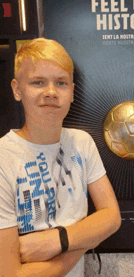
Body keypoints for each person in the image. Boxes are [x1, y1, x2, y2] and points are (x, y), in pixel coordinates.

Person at [0, 38, 121, 277]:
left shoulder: (82, 142)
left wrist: (56, 241)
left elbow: (111, 216)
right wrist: (84, 241)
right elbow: (9, 273)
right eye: (38, 82)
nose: (51, 92)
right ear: (17, 89)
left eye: (61, 83)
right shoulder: (3, 158)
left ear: (72, 92)